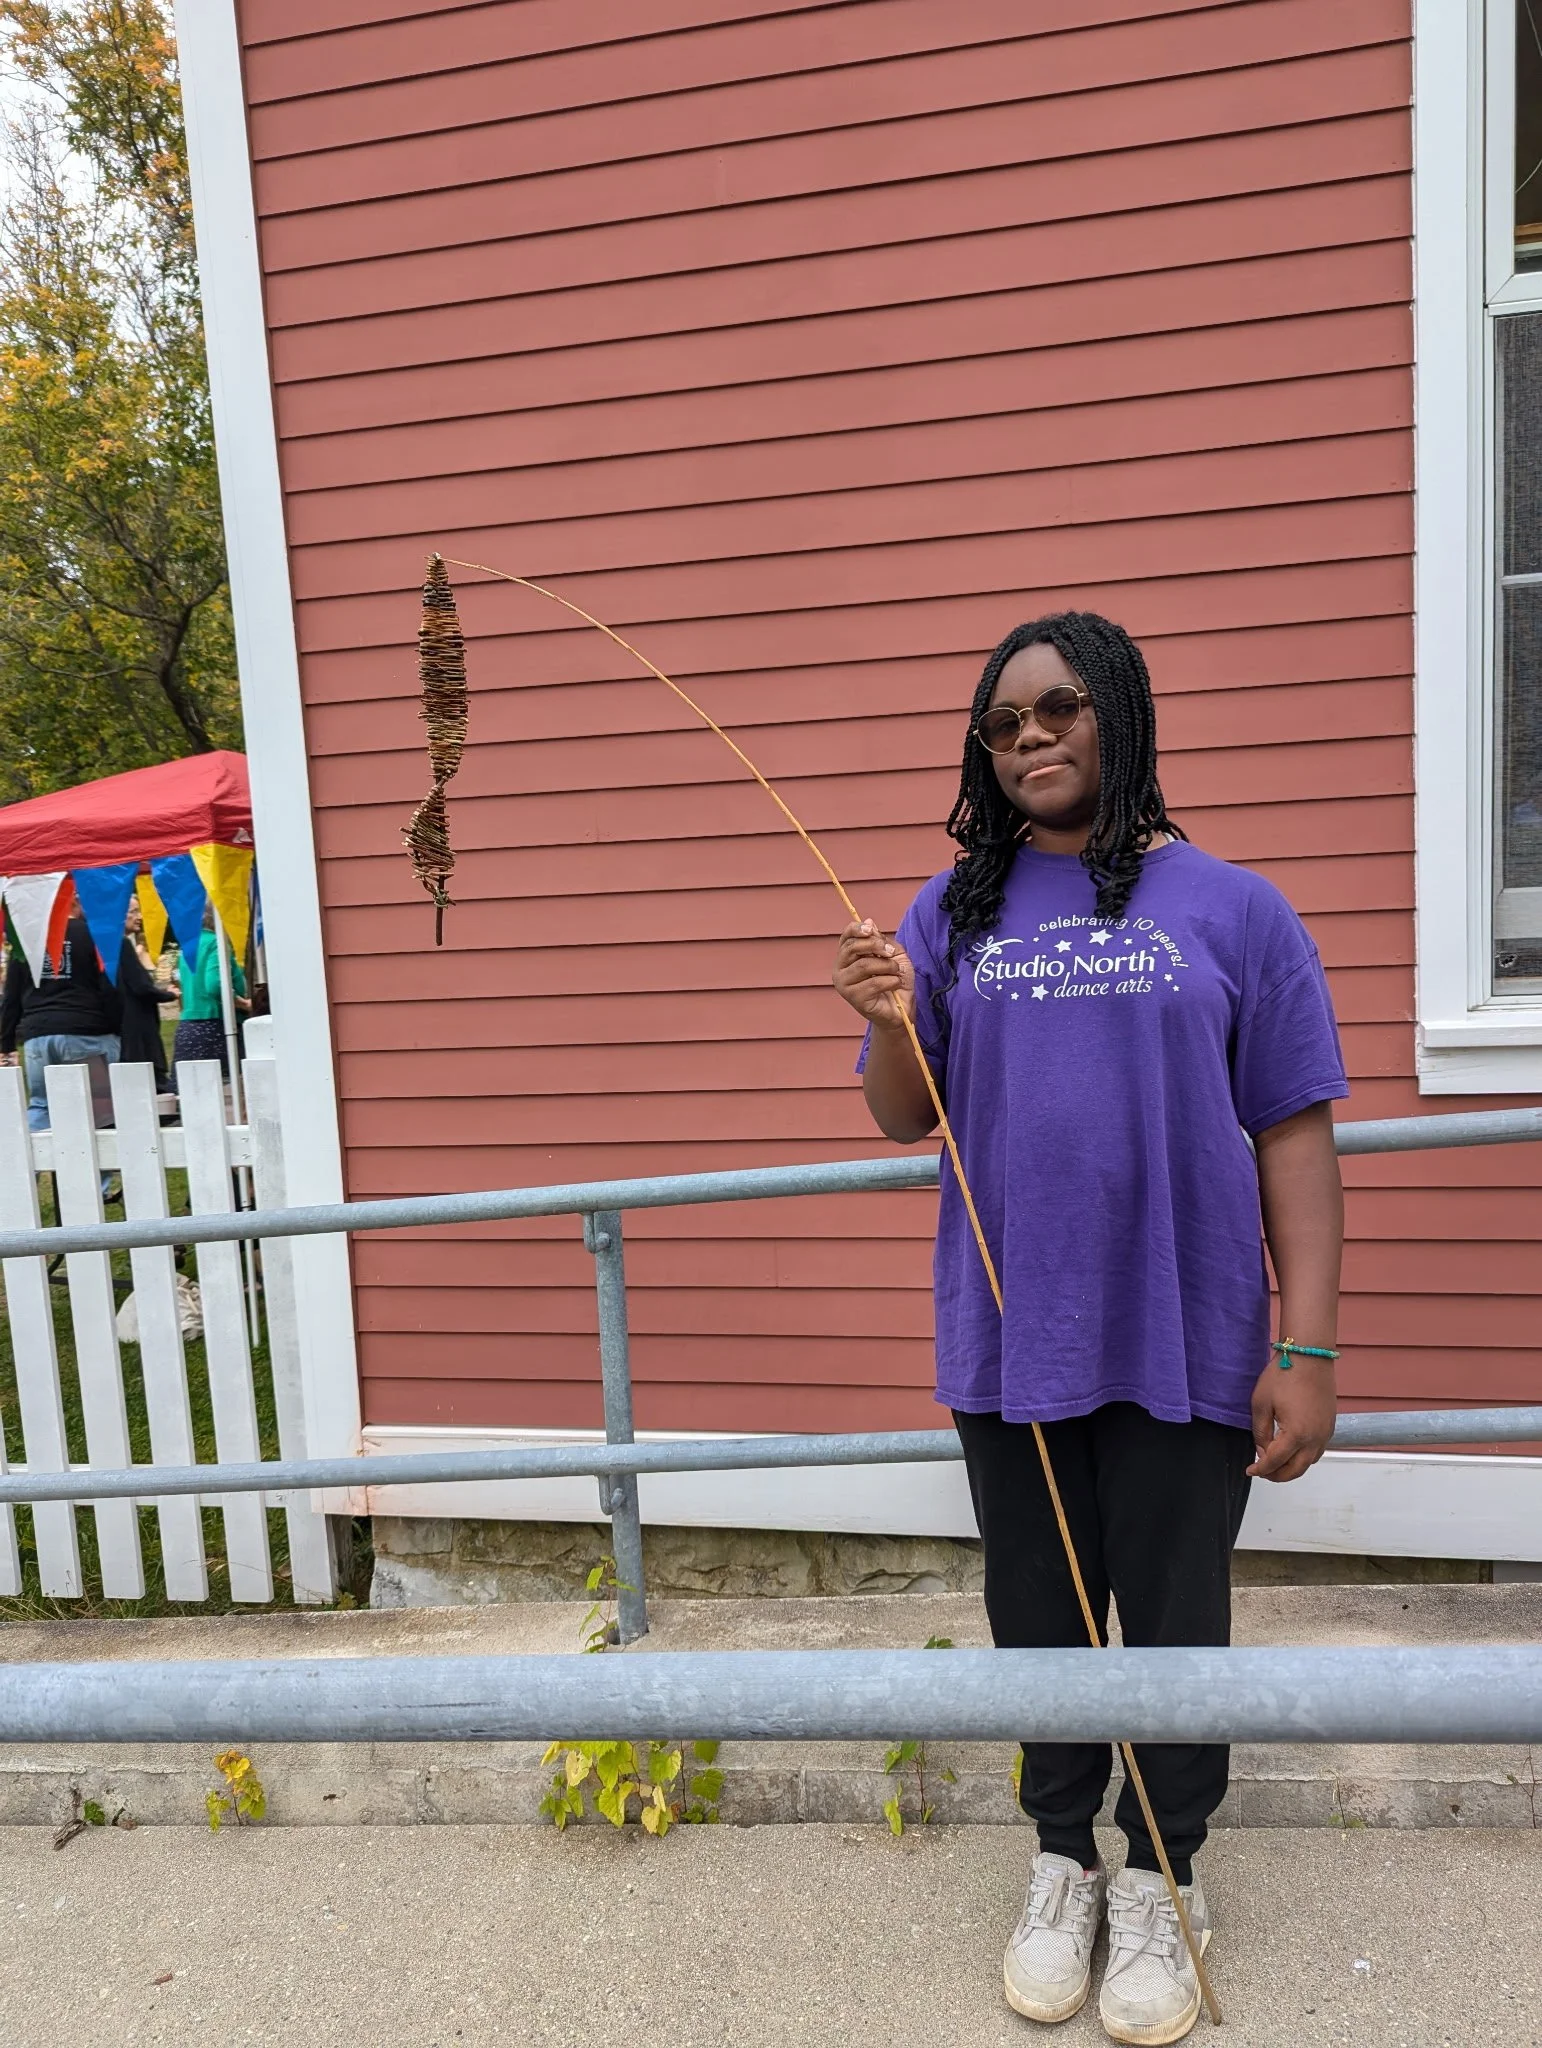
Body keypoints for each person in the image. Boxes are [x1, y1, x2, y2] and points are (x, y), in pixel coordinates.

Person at [832, 613, 1347, 2045]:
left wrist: (1305, 1348)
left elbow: (1293, 1135)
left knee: (1174, 1624)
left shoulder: (1236, 910)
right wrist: (885, 1016)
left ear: (1116, 713)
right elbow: (902, 1111)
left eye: (1057, 708)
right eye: (999, 727)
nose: (1029, 739)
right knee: (1042, 1621)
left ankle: (1168, 1882)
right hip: (1010, 1345)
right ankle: (1062, 1861)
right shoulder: (952, 915)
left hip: (1186, 1334)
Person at [0, 895, 124, 1130]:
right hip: (87, 1031)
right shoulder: (93, 935)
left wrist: (6, 1044)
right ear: (75, 903)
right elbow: (109, 988)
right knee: (98, 1111)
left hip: (38, 1034)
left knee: (42, 1105)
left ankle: (31, 1163)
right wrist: (117, 1028)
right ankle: (98, 1168)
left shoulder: (27, 940)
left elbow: (11, 998)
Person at [172, 905, 247, 1076]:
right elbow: (214, 985)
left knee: (190, 1089)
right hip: (214, 1028)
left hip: (188, 1027)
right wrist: (243, 1003)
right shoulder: (215, 943)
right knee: (224, 1090)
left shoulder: (188, 946)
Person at [118, 897, 179, 1093]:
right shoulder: (122, 944)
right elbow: (141, 986)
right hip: (137, 1026)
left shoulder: (113, 945)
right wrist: (168, 994)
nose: (139, 917)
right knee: (151, 1082)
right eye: (133, 912)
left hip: (123, 1021)